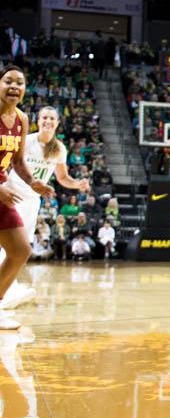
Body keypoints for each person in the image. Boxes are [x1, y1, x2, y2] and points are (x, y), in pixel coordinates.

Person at [0, 106, 91, 310]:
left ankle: (7, 287)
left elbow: (62, 178)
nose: (48, 121)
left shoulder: (59, 148)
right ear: (38, 121)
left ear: (57, 122)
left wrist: (77, 184)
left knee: (21, 246)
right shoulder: (27, 140)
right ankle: (7, 288)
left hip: (32, 200)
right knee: (11, 245)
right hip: (11, 193)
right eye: (44, 117)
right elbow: (10, 162)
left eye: (52, 118)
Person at [0, 66, 54, 329]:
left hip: (2, 187)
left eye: (19, 83)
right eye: (8, 81)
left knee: (21, 250)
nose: (14, 86)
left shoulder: (21, 119)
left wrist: (34, 182)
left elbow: (18, 160)